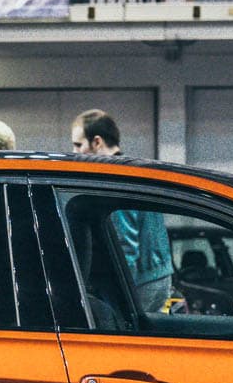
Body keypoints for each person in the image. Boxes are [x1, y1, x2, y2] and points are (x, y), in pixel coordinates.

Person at [69, 109, 173, 311]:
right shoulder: (136, 172)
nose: (74, 152)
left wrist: (121, 300)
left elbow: (125, 248)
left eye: (78, 145)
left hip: (139, 283)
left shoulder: (115, 181)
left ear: (97, 142)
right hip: (158, 276)